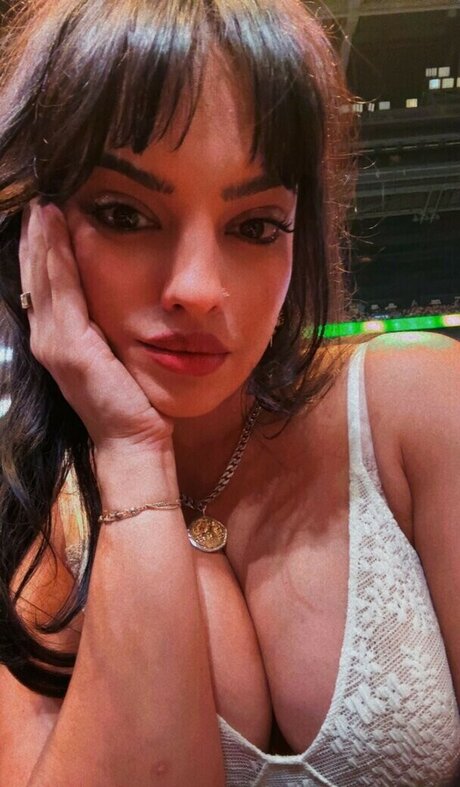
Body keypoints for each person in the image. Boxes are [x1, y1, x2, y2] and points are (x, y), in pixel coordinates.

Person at [0, 1, 458, 785]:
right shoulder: (34, 524)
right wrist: (131, 454)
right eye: (124, 213)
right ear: (34, 234)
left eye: (255, 226)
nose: (198, 288)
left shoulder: (416, 404)